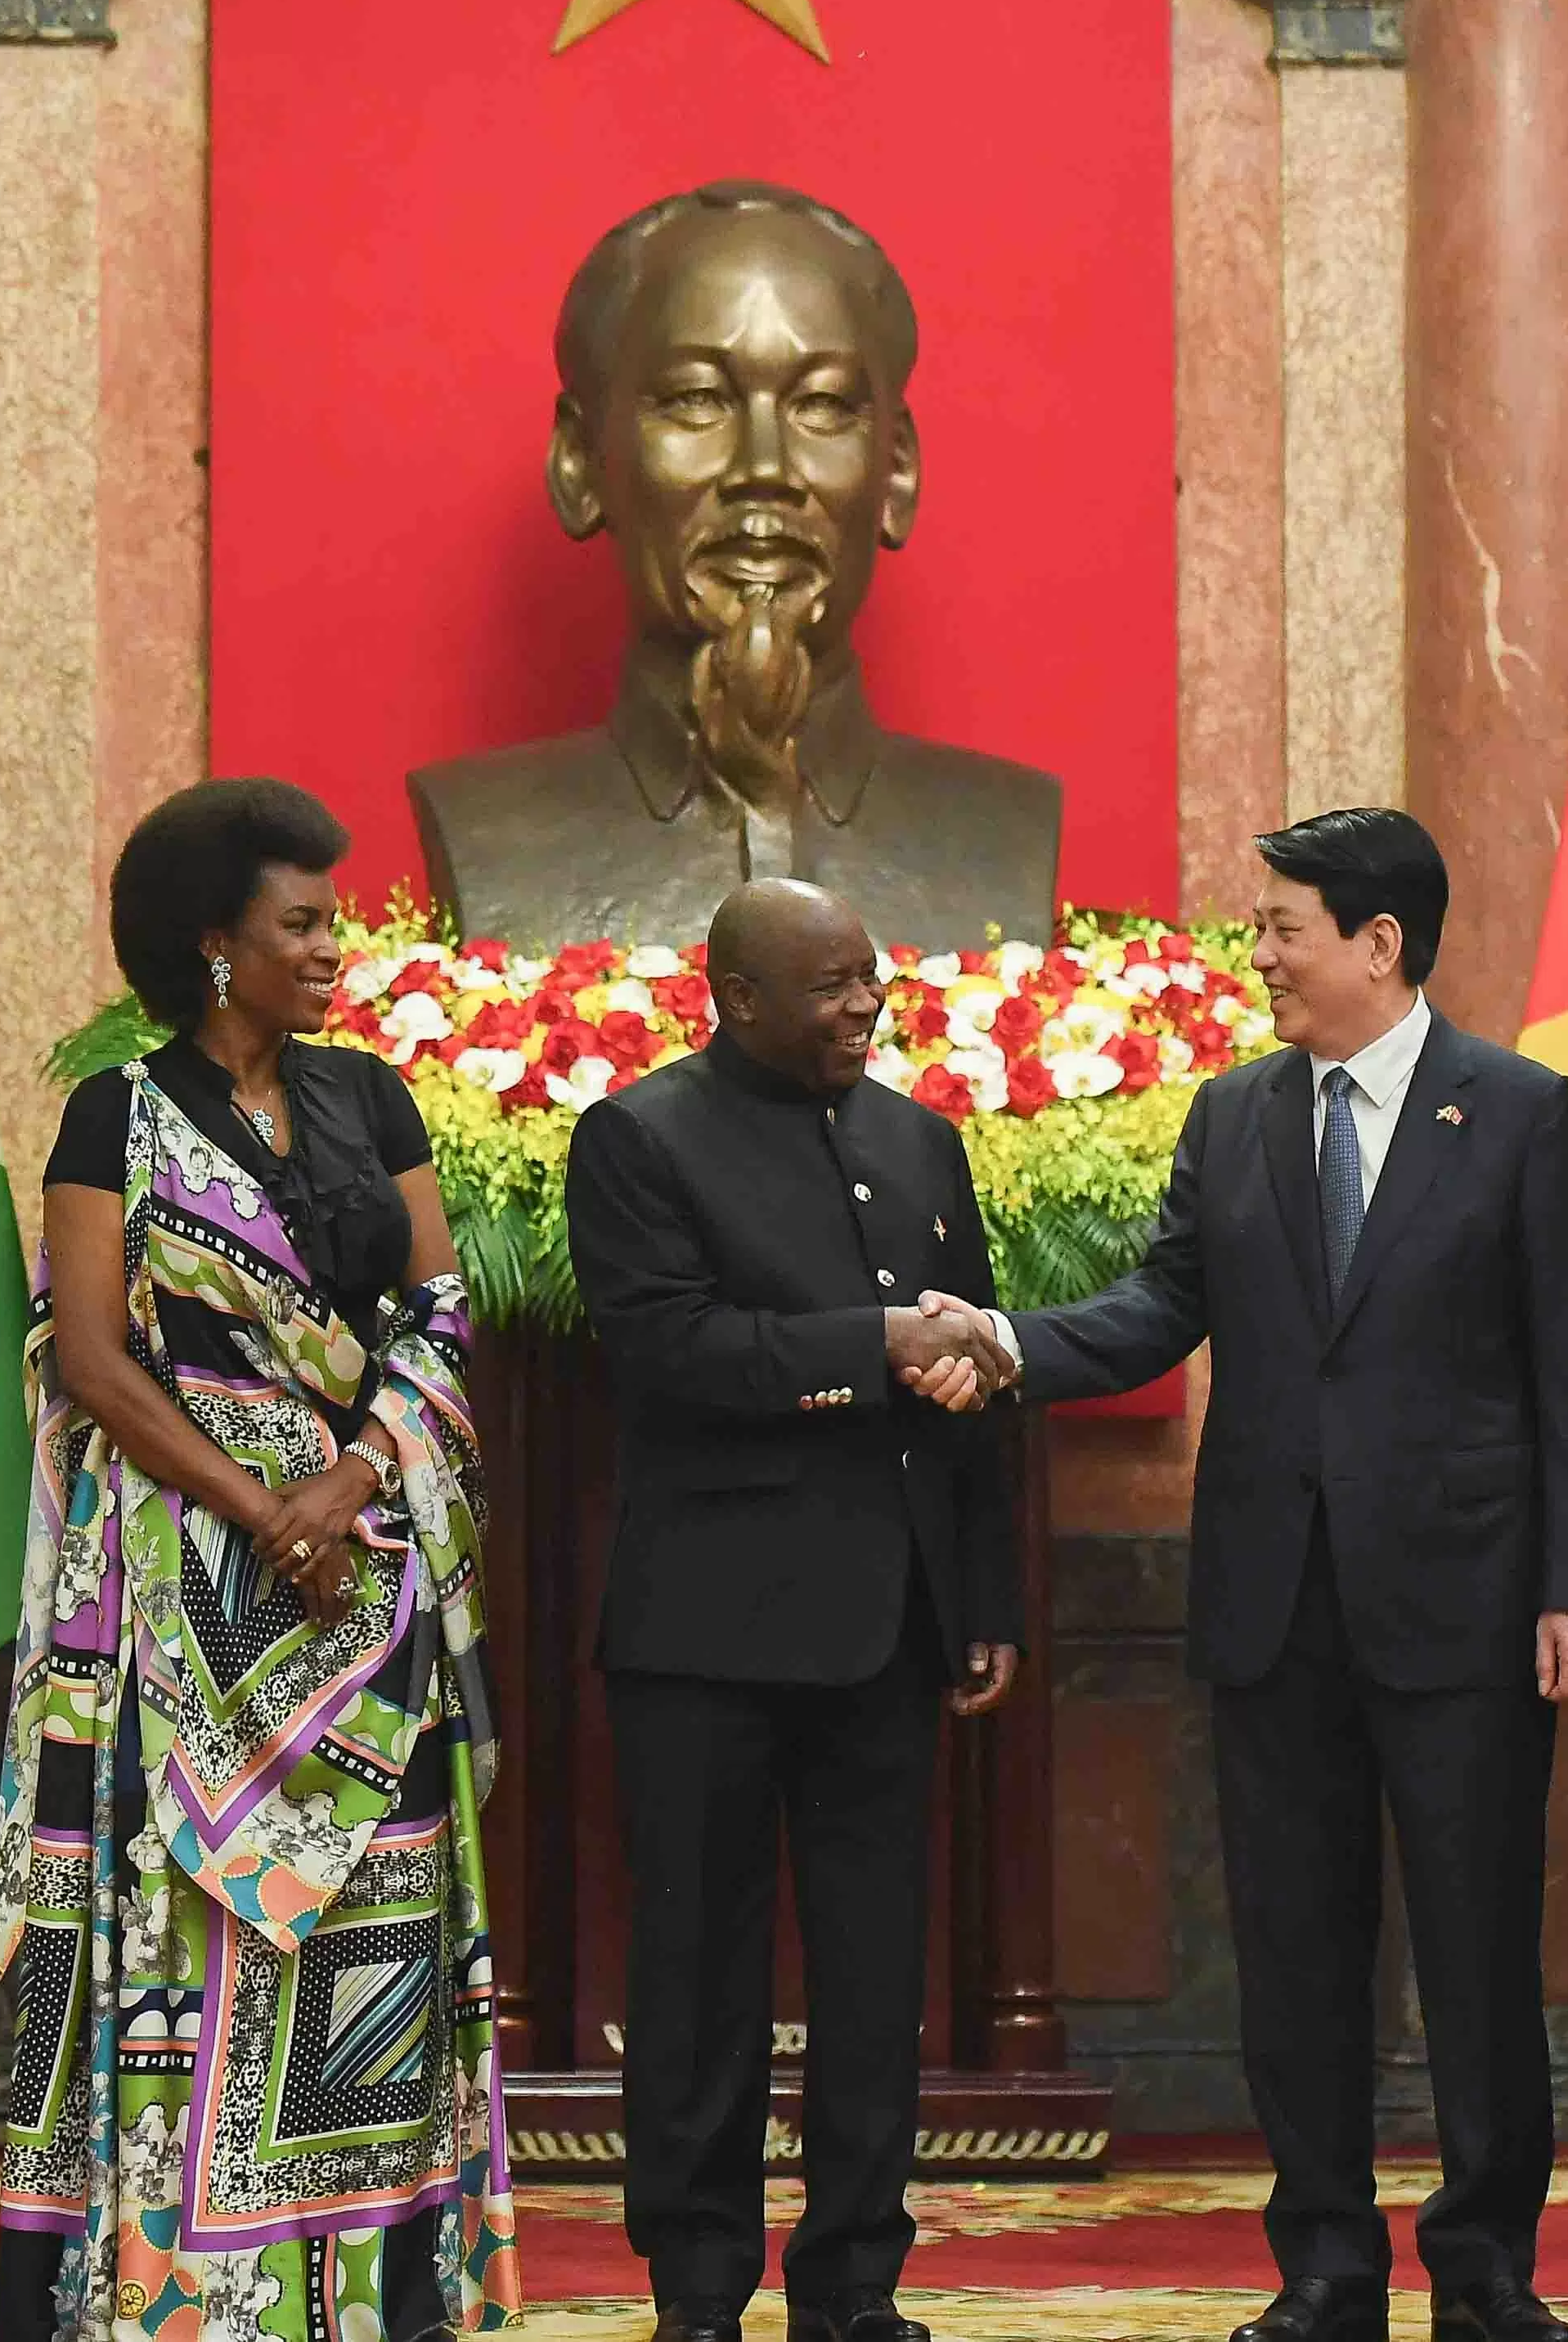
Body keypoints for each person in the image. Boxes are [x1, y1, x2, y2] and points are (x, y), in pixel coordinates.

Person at [919, 807, 1568, 2342]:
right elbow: (1165, 1299)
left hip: (1466, 1602)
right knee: (1294, 1953)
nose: (1260, 954)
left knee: (1477, 1946)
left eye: (1282, 925)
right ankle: (1324, 2265)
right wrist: (1008, 1341)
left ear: (1379, 942)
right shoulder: (1235, 1112)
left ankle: (1488, 2268)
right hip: (1274, 1599)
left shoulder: (1516, 1110)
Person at [0, 779, 519, 2342]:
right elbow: (90, 1355)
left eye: (334, 920)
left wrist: (349, 1477)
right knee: (189, 1948)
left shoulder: (374, 1099)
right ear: (217, 946)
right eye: (305, 922)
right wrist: (253, 1501)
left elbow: (432, 1310)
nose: (335, 949)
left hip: (365, 1584)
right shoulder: (117, 1115)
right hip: (183, 1606)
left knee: (378, 1936)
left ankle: (370, 2297)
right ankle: (182, 2292)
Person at [560, 878, 1026, 2342]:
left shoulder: (917, 1136)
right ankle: (698, 2285)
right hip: (705, 1631)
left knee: (876, 1979)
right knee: (697, 1977)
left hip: (889, 1626)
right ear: (737, 996)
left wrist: (985, 1596)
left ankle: (853, 2285)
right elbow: (666, 1350)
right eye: (827, 987)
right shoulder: (638, 1134)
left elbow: (974, 1396)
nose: (861, 1008)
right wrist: (871, 1343)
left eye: (869, 980)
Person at [407, 179, 1063, 949]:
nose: (764, 467)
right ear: (581, 463)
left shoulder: (1005, 834)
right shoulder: (485, 831)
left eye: (820, 404)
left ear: (897, 473)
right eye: (696, 400)